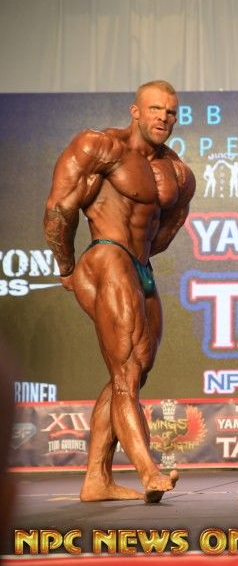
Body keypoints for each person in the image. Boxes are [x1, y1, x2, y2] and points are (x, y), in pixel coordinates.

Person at [43, 80, 195, 502]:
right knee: (126, 370)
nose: (163, 117)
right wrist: (68, 267)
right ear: (135, 111)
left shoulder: (179, 173)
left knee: (135, 369)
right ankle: (149, 471)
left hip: (138, 266)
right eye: (155, 109)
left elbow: (165, 232)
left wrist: (137, 256)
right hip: (106, 255)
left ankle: (97, 479)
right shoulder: (100, 147)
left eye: (171, 111)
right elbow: (60, 208)